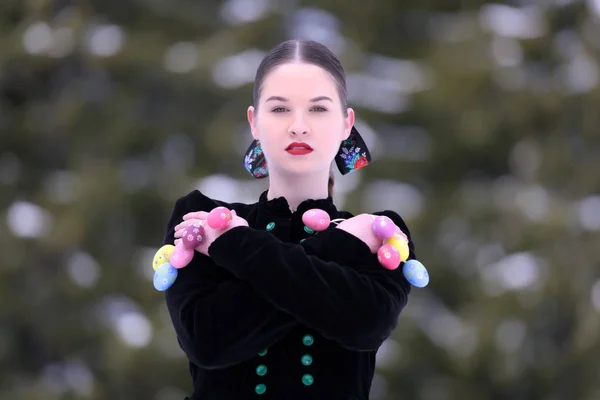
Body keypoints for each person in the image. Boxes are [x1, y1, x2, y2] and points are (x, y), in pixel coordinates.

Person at [162, 39, 415, 400]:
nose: (299, 126)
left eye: (318, 109)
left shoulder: (382, 231)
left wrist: (235, 244)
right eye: (280, 109)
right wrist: (343, 248)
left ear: (346, 123)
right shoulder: (201, 216)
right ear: (254, 121)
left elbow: (365, 325)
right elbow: (208, 342)